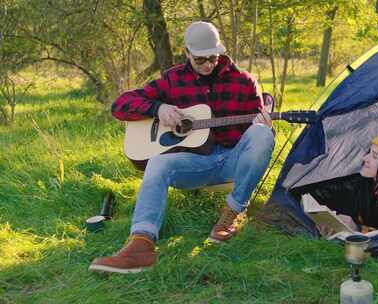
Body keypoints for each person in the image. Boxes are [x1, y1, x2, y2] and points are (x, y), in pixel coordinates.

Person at [89, 21, 275, 274]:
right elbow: (121, 105)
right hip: (195, 164)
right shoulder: (173, 80)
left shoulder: (244, 81)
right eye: (201, 60)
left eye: (213, 57)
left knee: (263, 134)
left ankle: (232, 212)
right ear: (187, 53)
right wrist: (158, 108)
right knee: (157, 162)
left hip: (233, 160)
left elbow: (255, 136)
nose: (209, 63)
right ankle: (140, 244)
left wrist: (263, 124)